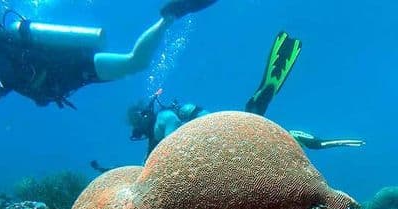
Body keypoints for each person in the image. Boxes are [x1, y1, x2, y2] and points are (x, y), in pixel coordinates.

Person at [127, 32, 365, 156]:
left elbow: (174, 145)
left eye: (136, 125)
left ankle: (277, 126)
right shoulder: (158, 126)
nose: (137, 131)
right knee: (257, 137)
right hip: (220, 128)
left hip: (215, 135)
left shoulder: (164, 118)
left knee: (252, 137)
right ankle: (292, 136)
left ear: (143, 117)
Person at [0, 0, 217, 110]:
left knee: (135, 62)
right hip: (73, 73)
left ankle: (169, 16)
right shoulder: (4, 56)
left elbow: (9, 79)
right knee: (135, 63)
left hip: (74, 67)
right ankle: (170, 16)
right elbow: (13, 79)